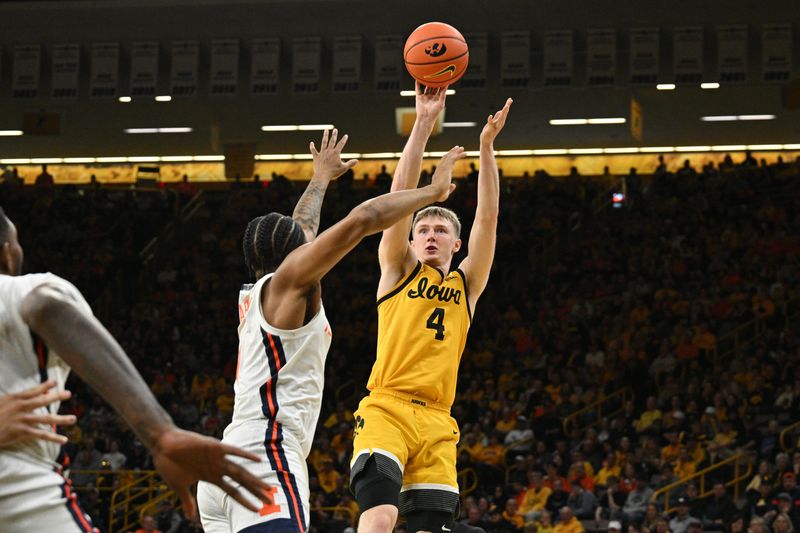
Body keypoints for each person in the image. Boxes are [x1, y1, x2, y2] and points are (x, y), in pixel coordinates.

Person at [196, 128, 464, 533]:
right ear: (295, 256)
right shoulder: (290, 284)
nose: (310, 245)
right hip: (265, 453)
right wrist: (433, 192)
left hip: (227, 458)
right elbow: (364, 219)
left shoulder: (256, 293)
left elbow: (303, 229)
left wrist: (320, 178)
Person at [0, 207, 272, 532]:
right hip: (17, 487)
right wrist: (160, 435)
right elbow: (43, 302)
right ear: (6, 253)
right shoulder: (22, 291)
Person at [350, 83, 513, 533]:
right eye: (422, 228)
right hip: (388, 408)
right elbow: (396, 196)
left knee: (432, 528)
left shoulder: (467, 284)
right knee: (381, 515)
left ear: (456, 244)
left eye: (440, 229)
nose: (429, 234)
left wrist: (486, 147)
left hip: (438, 421)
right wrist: (423, 123)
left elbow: (488, 217)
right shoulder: (399, 269)